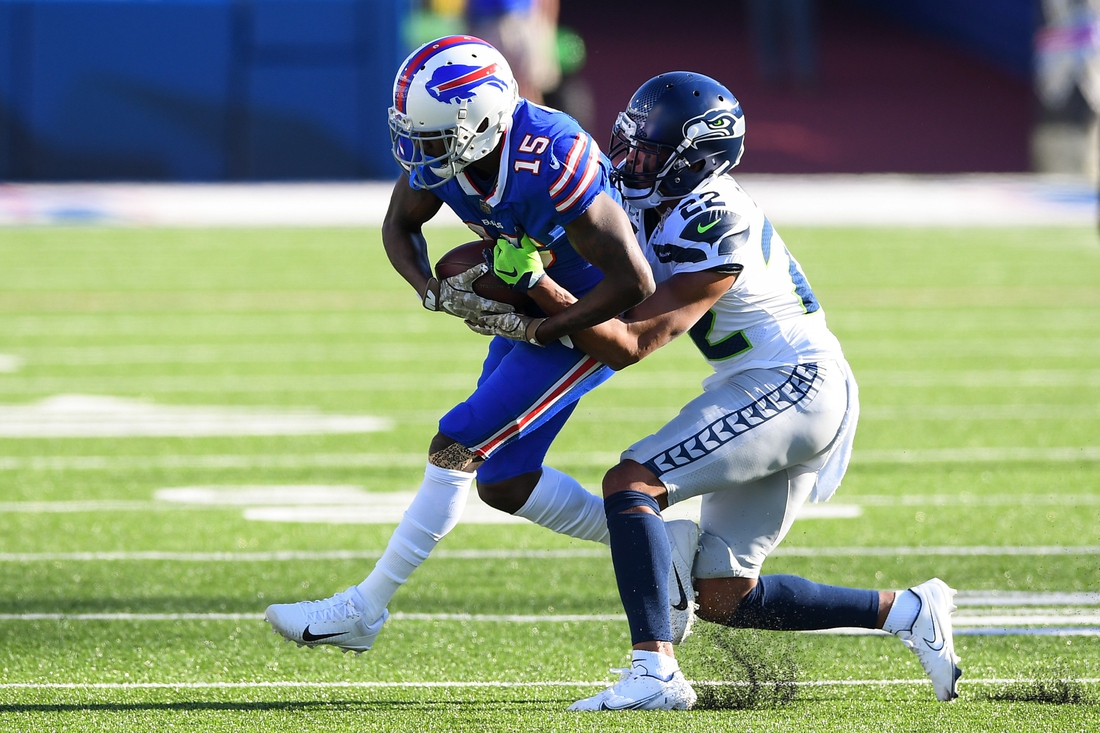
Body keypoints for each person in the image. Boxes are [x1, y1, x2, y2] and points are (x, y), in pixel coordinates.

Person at [470, 72, 962, 711]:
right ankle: (908, 611)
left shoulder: (712, 218)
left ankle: (653, 673)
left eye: (647, 152)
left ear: (694, 160)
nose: (628, 159)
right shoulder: (640, 191)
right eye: (629, 142)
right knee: (725, 594)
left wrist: (536, 289)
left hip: (794, 384)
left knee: (633, 481)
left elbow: (631, 342)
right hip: (761, 385)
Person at [263, 35, 654, 653]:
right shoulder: (449, 152)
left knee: (458, 443)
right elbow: (399, 223)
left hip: (587, 317)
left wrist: (546, 324)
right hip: (526, 295)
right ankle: (661, 545)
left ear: (485, 122)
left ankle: (364, 609)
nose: (420, 154)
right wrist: (433, 292)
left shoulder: (550, 157)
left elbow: (634, 281)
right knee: (504, 479)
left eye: (434, 138)